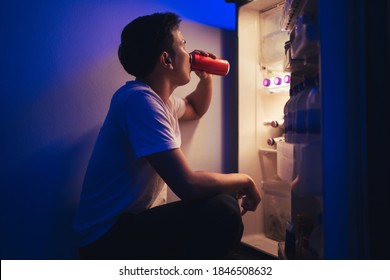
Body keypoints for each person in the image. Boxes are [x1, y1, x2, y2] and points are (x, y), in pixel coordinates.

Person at [74, 12, 261, 260]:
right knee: (223, 209)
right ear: (166, 60)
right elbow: (188, 185)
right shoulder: (138, 101)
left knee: (221, 202)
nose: (190, 53)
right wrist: (246, 180)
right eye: (183, 45)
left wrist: (205, 78)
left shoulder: (161, 102)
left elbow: (195, 109)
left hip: (131, 227)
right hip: (106, 240)